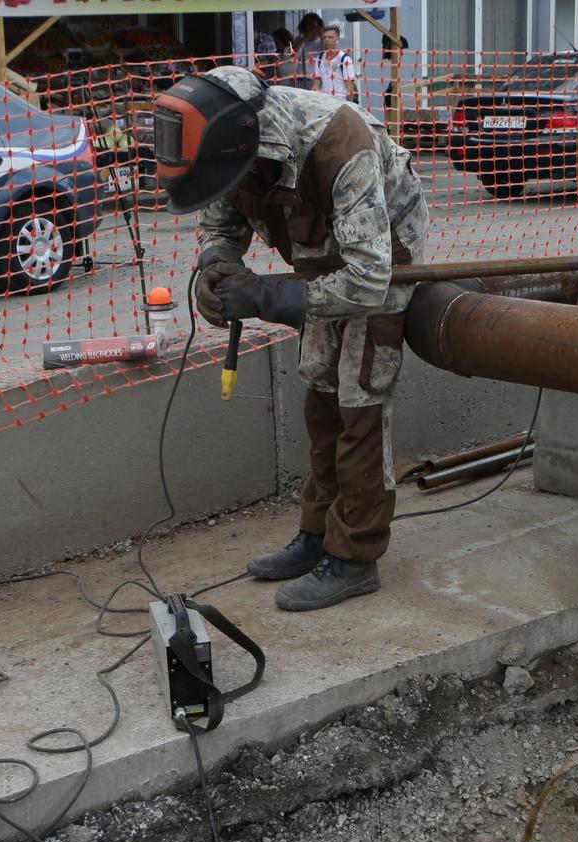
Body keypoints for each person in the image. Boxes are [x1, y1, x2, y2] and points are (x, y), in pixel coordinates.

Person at [151, 66, 430, 612]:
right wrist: (217, 271)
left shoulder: (338, 145)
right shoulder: (227, 148)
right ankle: (319, 533)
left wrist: (266, 298)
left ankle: (354, 557)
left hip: (382, 258)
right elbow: (219, 228)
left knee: (358, 396)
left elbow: (368, 278)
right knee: (320, 392)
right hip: (320, 257)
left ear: (243, 141)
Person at [313, 25, 361, 102]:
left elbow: (350, 87)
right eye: (324, 37)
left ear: (337, 39)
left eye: (330, 37)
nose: (327, 40)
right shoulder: (319, 59)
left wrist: (350, 106)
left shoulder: (345, 59)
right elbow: (316, 84)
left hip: (341, 102)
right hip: (324, 103)